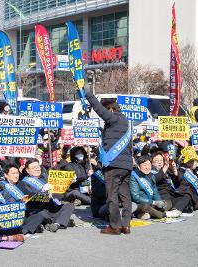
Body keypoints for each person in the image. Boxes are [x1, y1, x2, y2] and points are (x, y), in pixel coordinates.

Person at [86, 92, 133, 235]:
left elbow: (99, 109)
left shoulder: (114, 119)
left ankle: (115, 226)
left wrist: (88, 95)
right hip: (126, 165)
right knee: (125, 196)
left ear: (110, 110)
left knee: (111, 196)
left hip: (114, 165)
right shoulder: (125, 122)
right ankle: (126, 225)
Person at [17, 159, 75, 233]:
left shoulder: (45, 178)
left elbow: (59, 195)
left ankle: (56, 224)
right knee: (42, 214)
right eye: (34, 167)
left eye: (38, 166)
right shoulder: (23, 183)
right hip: (38, 210)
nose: (37, 169)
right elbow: (31, 199)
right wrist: (42, 191)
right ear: (28, 171)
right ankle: (61, 221)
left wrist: (67, 183)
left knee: (69, 206)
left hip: (51, 208)